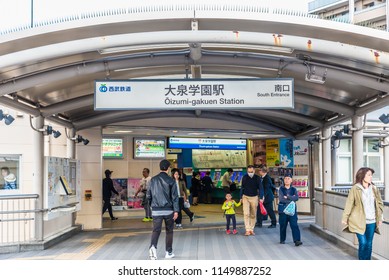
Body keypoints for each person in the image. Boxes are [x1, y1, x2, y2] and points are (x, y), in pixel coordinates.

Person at [342, 167, 384, 260]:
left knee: (369, 244)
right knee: (363, 242)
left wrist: (380, 218)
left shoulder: (374, 189)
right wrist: (345, 218)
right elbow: (349, 203)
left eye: (371, 175)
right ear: (362, 176)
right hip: (358, 221)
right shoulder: (355, 188)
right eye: (368, 175)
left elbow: (380, 203)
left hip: (372, 221)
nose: (371, 177)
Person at [147, 159, 179, 260]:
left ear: (160, 167)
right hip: (169, 210)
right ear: (168, 168)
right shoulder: (171, 180)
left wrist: (152, 207)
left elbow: (148, 195)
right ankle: (168, 252)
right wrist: (176, 211)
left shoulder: (153, 180)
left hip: (156, 210)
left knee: (156, 230)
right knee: (169, 231)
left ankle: (153, 247)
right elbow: (175, 197)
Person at [278, 173, 302, 246]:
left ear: (291, 180)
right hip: (283, 209)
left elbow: (297, 198)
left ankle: (297, 240)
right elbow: (281, 199)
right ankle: (282, 239)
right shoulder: (281, 189)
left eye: (288, 179)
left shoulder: (294, 189)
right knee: (283, 225)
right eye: (285, 178)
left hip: (292, 210)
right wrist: (292, 198)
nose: (287, 180)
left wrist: (288, 196)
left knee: (294, 225)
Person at [240, 165, 263, 236]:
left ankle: (251, 229)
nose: (250, 172)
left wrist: (261, 197)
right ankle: (247, 229)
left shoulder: (257, 178)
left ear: (254, 171)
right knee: (246, 213)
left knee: (253, 214)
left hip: (254, 197)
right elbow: (242, 187)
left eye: (251, 171)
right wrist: (240, 197)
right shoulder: (244, 177)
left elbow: (261, 188)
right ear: (247, 171)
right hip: (245, 197)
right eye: (249, 171)